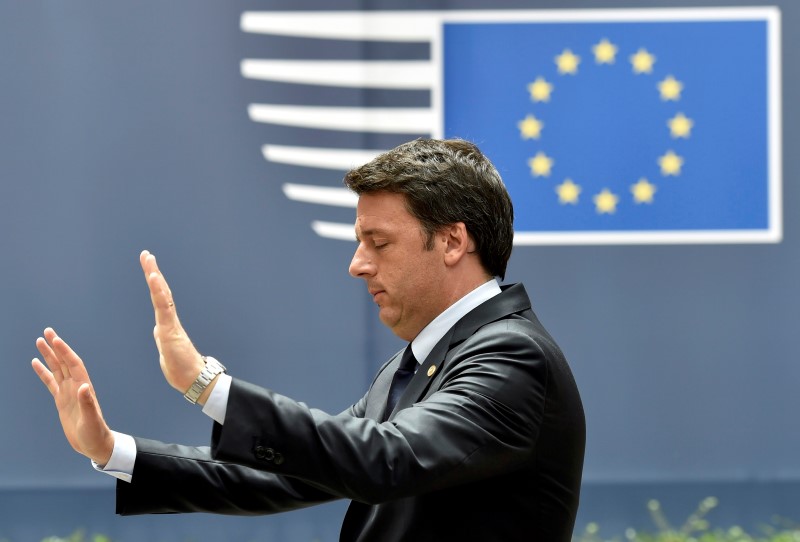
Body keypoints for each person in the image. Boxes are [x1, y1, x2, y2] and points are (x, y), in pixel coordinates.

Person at [32, 138, 586, 541]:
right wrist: (111, 450)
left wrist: (207, 385)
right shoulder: (418, 364)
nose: (357, 264)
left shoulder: (513, 357)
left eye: (378, 242)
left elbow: (384, 460)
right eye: (358, 241)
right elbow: (284, 474)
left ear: (451, 241)